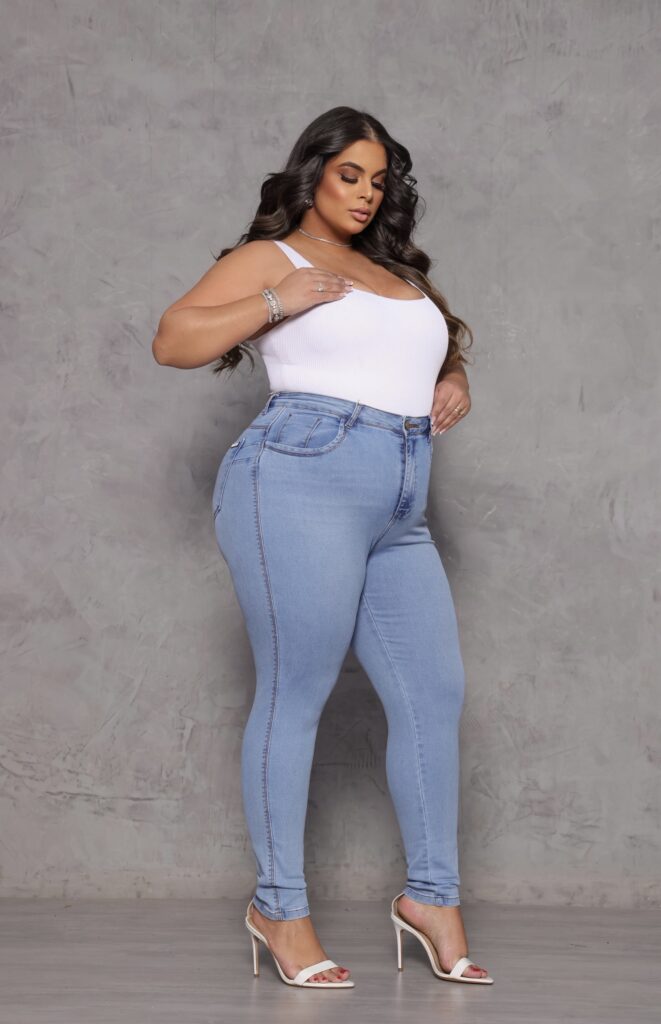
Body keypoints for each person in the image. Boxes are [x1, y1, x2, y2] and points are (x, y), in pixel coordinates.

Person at [152, 106, 493, 989]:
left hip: (401, 495)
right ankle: (278, 906)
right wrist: (277, 300)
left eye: (379, 181)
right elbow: (173, 340)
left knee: (432, 694)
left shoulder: (394, 270)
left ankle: (430, 898)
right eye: (350, 175)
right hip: (299, 477)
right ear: (312, 174)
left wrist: (453, 377)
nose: (366, 194)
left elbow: (416, 349)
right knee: (296, 689)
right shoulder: (276, 257)